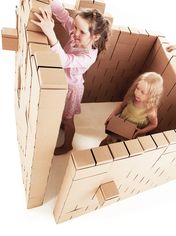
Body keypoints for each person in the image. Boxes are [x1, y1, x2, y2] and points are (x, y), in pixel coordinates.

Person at [31, 0, 111, 155]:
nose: (75, 32)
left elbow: (65, 60)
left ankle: (68, 144)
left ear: (95, 37)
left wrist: (50, 33)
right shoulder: (77, 34)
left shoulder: (88, 56)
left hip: (71, 90)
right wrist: (52, 3)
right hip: (62, 82)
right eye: (75, 27)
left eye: (81, 31)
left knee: (68, 120)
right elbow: (64, 17)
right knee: (60, 113)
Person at [100, 72, 163, 146]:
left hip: (131, 135)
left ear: (152, 95)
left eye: (142, 92)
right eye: (137, 88)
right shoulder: (132, 97)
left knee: (121, 147)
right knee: (108, 142)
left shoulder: (150, 110)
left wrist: (141, 131)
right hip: (119, 127)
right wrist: (112, 115)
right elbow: (121, 106)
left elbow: (154, 124)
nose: (137, 93)